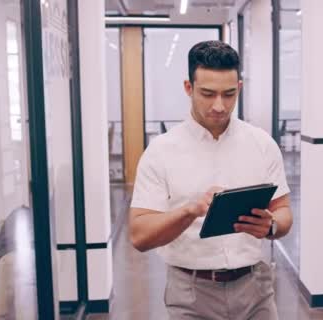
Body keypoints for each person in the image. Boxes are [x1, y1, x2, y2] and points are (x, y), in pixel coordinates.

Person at [129, 40, 293, 320]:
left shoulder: (262, 144)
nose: (219, 106)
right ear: (188, 88)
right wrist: (190, 211)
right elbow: (140, 235)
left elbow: (284, 212)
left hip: (256, 291)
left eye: (229, 94)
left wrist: (272, 226)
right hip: (191, 295)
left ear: (239, 88)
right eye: (207, 94)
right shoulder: (161, 152)